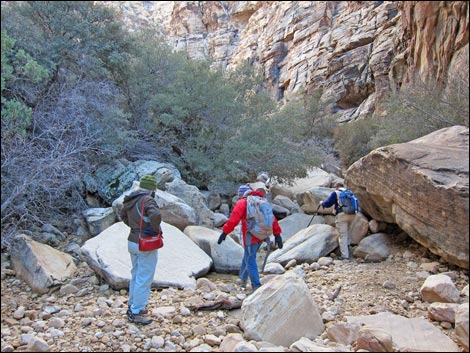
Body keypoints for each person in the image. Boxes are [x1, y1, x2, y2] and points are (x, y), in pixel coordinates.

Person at [217, 184, 283, 292]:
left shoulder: (243, 202)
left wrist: (224, 232)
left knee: (250, 258)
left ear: (241, 195)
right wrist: (277, 235)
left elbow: (234, 219)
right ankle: (242, 280)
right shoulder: (261, 201)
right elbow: (272, 218)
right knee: (247, 256)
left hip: (251, 235)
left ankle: (256, 285)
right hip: (262, 235)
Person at [120, 174, 162, 325]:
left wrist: (135, 228)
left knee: (136, 274)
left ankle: (132, 306)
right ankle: (137, 311)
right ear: (152, 189)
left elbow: (123, 215)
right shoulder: (148, 199)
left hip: (132, 241)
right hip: (145, 242)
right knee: (144, 277)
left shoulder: (131, 198)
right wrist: (153, 229)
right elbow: (156, 214)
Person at [319, 182, 355, 260]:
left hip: (342, 215)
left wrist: (322, 203)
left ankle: (345, 256)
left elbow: (328, 203)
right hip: (353, 214)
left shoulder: (336, 193)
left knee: (343, 235)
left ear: (337, 187)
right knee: (348, 233)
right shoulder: (349, 192)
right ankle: (349, 252)